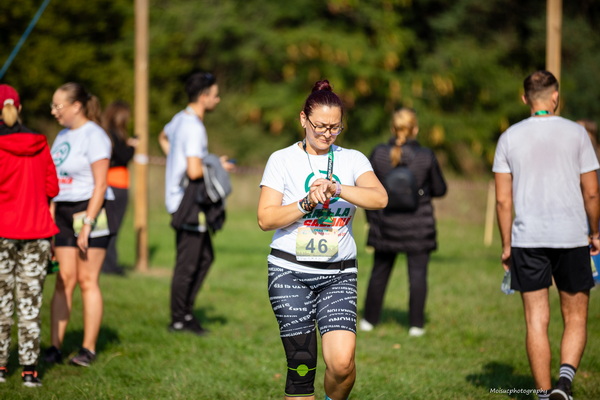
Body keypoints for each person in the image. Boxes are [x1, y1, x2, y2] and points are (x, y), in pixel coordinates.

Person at [258, 79, 388, 400]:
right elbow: (266, 218)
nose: (327, 134)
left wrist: (338, 188)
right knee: (302, 366)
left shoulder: (352, 159)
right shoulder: (281, 159)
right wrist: (306, 202)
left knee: (342, 364)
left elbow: (380, 198)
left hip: (339, 274)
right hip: (290, 272)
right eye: (320, 126)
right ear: (303, 119)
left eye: (335, 127)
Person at [493, 70, 599, 400]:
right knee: (576, 316)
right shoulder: (577, 134)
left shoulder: (509, 137)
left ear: (524, 98)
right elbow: (592, 192)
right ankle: (563, 385)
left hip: (527, 239)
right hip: (572, 236)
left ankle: (542, 394)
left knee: (536, 320)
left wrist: (507, 245)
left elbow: (502, 200)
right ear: (555, 96)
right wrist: (595, 232)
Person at [360, 107, 447, 337]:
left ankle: (369, 320)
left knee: (379, 273)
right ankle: (416, 325)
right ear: (415, 129)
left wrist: (371, 220)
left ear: (393, 128)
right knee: (417, 276)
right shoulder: (426, 156)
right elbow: (440, 189)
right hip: (419, 227)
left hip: (384, 225)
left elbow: (366, 188)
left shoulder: (378, 154)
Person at [159, 72, 233, 335]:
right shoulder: (194, 127)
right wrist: (218, 166)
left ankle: (185, 313)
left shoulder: (179, 119)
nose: (217, 99)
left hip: (179, 199)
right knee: (189, 263)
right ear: (203, 96)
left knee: (204, 257)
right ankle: (179, 319)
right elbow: (193, 171)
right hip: (188, 202)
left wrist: (175, 161)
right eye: (215, 95)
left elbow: (162, 137)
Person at [45, 82, 112, 367]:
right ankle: (54, 347)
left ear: (76, 106)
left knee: (87, 280)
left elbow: (101, 184)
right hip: (62, 211)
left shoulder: (95, 136)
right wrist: (49, 219)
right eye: (52, 106)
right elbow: (52, 181)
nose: (54, 111)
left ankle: (88, 349)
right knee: (64, 280)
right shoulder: (61, 136)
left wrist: (87, 224)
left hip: (89, 210)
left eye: (58, 106)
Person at [0, 85, 59, 387]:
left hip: (2, 232)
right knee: (30, 303)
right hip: (37, 233)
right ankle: (29, 371)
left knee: (1, 302)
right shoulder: (40, 143)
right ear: (19, 108)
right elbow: (52, 188)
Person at [101, 101, 137, 275]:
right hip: (116, 185)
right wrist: (132, 147)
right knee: (111, 227)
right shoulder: (112, 135)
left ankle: (108, 263)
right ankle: (109, 265)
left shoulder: (106, 134)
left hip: (113, 183)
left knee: (109, 226)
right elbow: (123, 156)